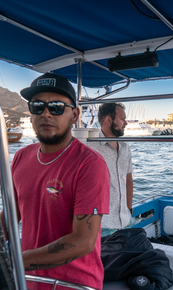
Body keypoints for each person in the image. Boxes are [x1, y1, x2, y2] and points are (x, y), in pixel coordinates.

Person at [0, 72, 110, 290]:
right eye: (37, 106)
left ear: (75, 115)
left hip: (75, 284)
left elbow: (84, 241)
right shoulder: (21, 156)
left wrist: (15, 262)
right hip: (27, 280)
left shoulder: (90, 164)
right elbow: (11, 216)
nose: (46, 114)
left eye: (57, 107)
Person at [90, 103, 133, 232]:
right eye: (122, 119)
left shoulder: (125, 147)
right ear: (109, 120)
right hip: (102, 225)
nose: (125, 123)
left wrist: (129, 209)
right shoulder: (90, 146)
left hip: (125, 221)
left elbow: (128, 180)